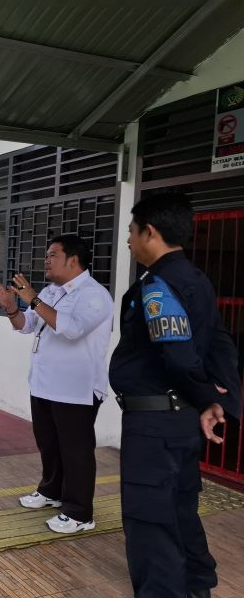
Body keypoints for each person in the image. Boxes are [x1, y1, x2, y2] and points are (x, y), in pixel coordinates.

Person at [109, 193, 241, 598]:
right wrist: (217, 400)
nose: (129, 240)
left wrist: (206, 394)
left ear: (150, 232)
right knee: (181, 512)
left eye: (131, 232)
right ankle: (197, 588)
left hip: (154, 426)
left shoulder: (158, 284)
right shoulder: (197, 279)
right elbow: (221, 343)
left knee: (151, 523)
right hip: (181, 422)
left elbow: (178, 354)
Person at [0, 235, 113, 534]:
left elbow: (72, 329)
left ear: (73, 260)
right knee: (49, 444)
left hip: (76, 390)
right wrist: (11, 308)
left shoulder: (94, 295)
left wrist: (33, 299)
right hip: (44, 384)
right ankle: (51, 491)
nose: (46, 260)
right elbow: (27, 325)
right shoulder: (51, 291)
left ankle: (79, 512)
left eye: (52, 255)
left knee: (76, 451)